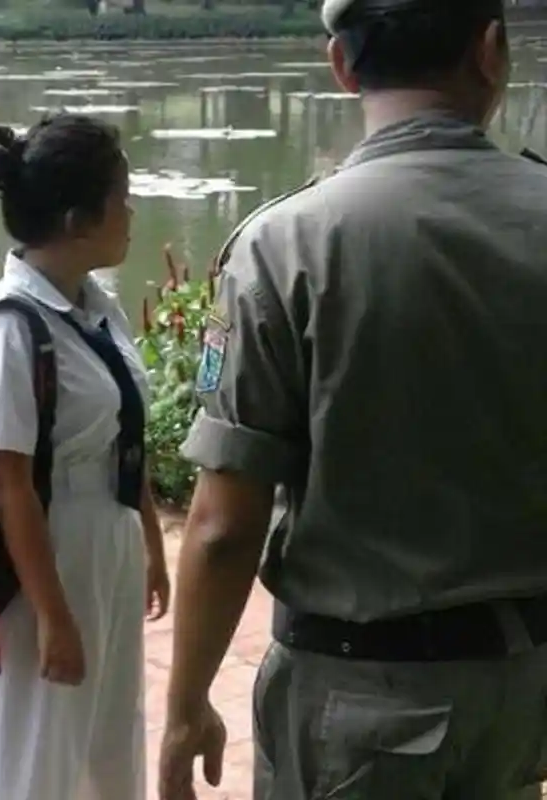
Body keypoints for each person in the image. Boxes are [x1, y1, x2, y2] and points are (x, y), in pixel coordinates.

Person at [158, 2, 547, 799]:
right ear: (492, 50)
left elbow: (225, 527)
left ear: (341, 63)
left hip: (358, 703)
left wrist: (186, 705)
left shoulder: (281, 247)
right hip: (527, 692)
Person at [0, 113, 171, 800]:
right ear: (76, 218)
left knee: (102, 730)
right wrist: (54, 617)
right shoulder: (9, 328)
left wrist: (149, 540)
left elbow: (126, 431)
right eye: (121, 196)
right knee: (35, 740)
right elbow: (9, 487)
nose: (131, 210)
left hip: (104, 548)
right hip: (47, 566)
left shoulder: (95, 309)